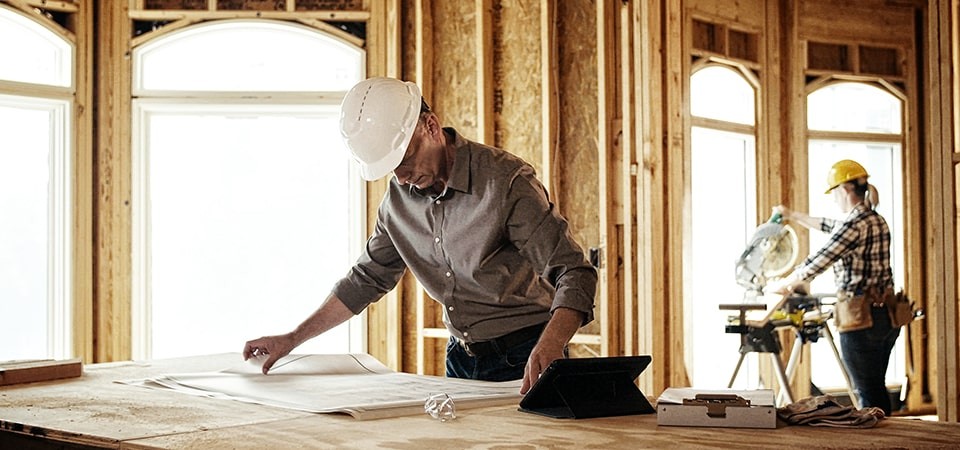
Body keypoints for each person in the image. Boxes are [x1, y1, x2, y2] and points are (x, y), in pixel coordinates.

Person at [243, 77, 597, 394]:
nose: (402, 177)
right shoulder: (397, 203)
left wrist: (552, 343)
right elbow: (365, 280)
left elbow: (574, 272)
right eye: (391, 168)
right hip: (459, 358)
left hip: (528, 354)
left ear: (431, 126)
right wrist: (292, 339)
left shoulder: (504, 182)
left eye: (406, 158)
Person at [770, 159, 899, 415]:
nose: (834, 199)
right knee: (876, 389)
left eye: (834, 193)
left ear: (844, 190)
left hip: (861, 320)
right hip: (887, 316)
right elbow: (831, 227)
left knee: (867, 396)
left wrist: (784, 284)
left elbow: (820, 260)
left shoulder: (854, 225)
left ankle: (876, 443)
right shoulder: (876, 220)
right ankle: (888, 437)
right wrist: (792, 215)